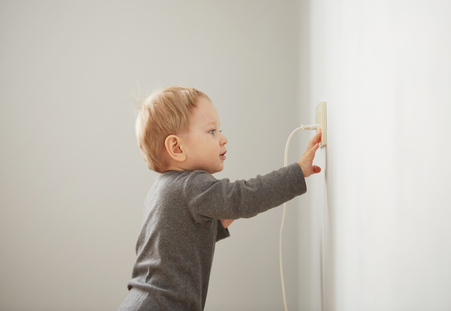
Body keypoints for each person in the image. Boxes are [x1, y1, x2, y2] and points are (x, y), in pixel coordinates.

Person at [118, 86, 322, 310]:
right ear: (176, 147)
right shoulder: (191, 185)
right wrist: (298, 171)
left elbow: (183, 240)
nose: (223, 138)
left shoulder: (162, 189)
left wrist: (226, 215)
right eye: (212, 131)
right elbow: (245, 197)